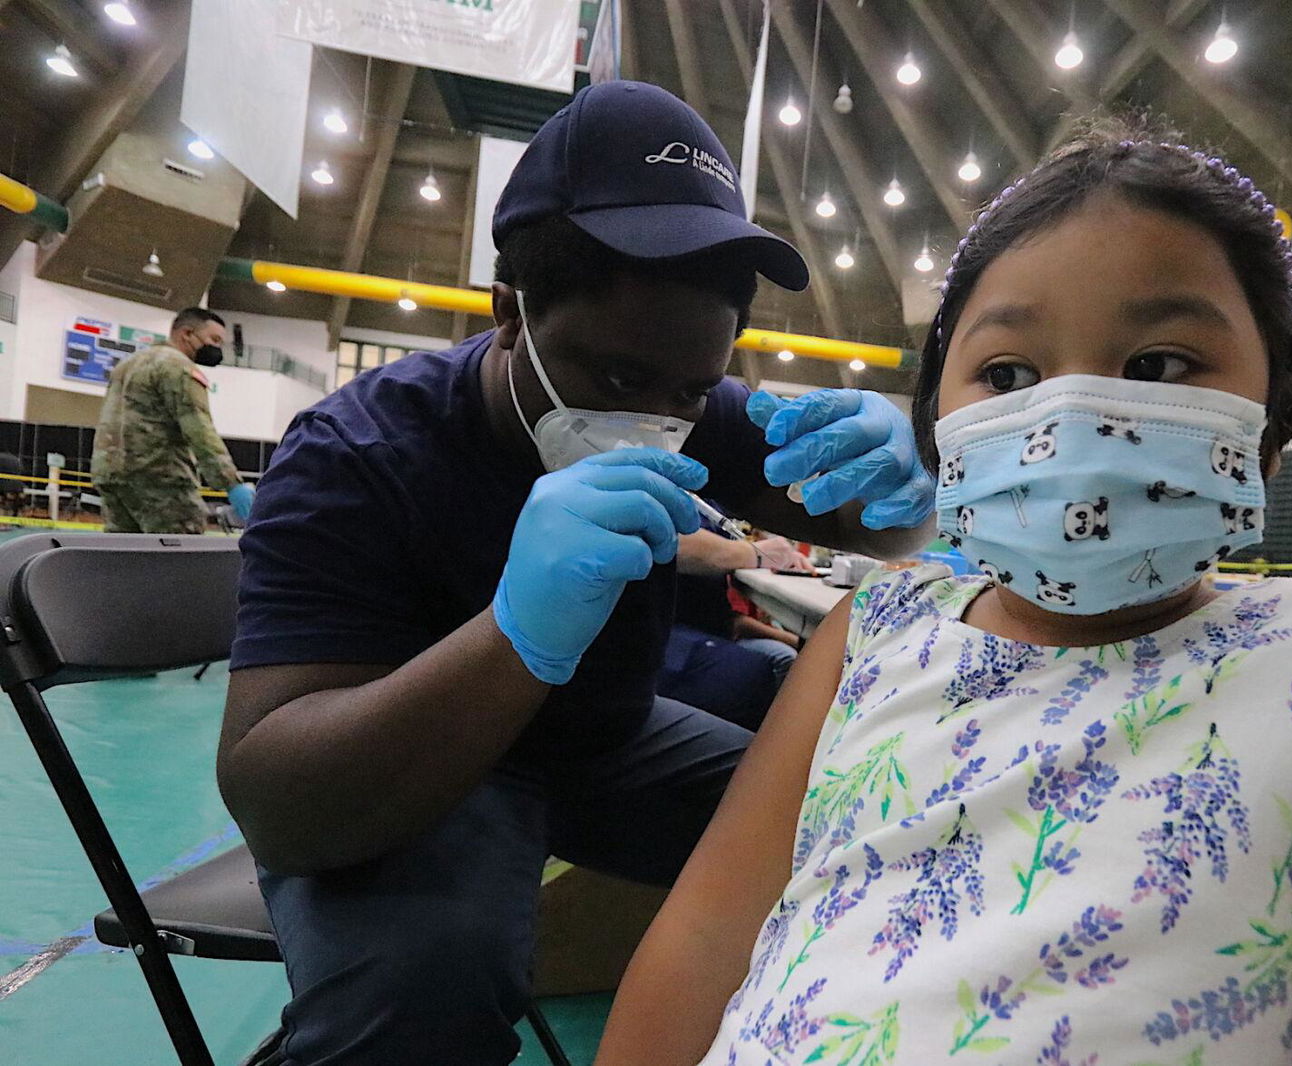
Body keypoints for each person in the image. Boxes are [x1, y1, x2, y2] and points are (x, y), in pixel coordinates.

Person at [596, 128, 1292, 1066]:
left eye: (1160, 366)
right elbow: (708, 939)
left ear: (1273, 415)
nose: (1072, 415)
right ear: (941, 424)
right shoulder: (876, 631)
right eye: (1008, 375)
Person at [218, 81, 933, 1066]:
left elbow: (866, 523)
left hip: (603, 743)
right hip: (417, 770)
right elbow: (277, 804)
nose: (657, 415)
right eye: (616, 380)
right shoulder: (354, 454)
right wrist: (513, 631)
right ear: (509, 312)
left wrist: (905, 488)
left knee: (861, 832)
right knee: (430, 984)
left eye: (690, 387)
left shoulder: (695, 405)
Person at [90, 307, 255, 533]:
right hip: (159, 478)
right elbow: (199, 429)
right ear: (187, 334)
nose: (217, 348)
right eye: (214, 340)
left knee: (122, 558)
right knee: (180, 559)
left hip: (110, 476)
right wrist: (231, 483)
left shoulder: (127, 364)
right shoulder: (179, 367)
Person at [658, 521, 807, 729]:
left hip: (706, 632)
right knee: (769, 665)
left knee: (780, 659)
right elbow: (672, 540)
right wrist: (752, 553)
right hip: (679, 637)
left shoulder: (710, 512)